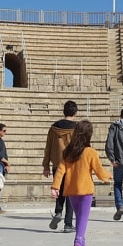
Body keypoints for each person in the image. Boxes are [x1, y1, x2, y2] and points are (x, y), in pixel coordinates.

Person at [51, 120, 111, 246]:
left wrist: (55, 187)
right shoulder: (91, 152)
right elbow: (99, 172)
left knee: (79, 219)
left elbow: (60, 170)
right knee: (83, 219)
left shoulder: (68, 152)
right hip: (85, 191)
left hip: (71, 191)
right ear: (89, 135)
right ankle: (77, 245)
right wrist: (109, 176)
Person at [44, 100, 78, 233]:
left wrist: (46, 165)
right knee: (70, 194)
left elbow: (48, 147)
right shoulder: (76, 128)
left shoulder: (53, 128)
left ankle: (58, 212)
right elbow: (79, 148)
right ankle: (68, 224)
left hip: (57, 164)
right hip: (71, 165)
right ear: (75, 113)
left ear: (63, 112)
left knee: (58, 190)